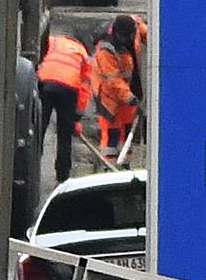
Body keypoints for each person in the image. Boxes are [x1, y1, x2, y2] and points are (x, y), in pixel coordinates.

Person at [36, 31, 92, 182]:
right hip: (69, 88)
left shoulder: (53, 40)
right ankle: (63, 175)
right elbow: (85, 87)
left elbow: (39, 53)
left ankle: (34, 167)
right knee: (65, 134)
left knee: (39, 129)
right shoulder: (83, 53)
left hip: (46, 82)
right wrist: (76, 117)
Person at [89, 14, 144, 156]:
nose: (129, 40)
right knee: (111, 135)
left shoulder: (135, 28)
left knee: (127, 130)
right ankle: (109, 167)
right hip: (108, 95)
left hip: (127, 88)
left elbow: (151, 33)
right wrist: (130, 97)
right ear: (117, 34)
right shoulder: (106, 50)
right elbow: (113, 81)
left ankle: (125, 164)